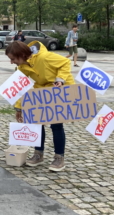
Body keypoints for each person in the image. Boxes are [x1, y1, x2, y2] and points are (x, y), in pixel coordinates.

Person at [6, 40, 74, 172]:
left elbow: (65, 62)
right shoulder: (22, 67)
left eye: (13, 59)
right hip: (41, 91)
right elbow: (21, 87)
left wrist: (60, 79)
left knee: (56, 124)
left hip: (58, 89)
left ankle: (59, 157)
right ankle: (38, 154)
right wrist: (19, 107)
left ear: (22, 55)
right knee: (37, 123)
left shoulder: (44, 57)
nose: (11, 62)